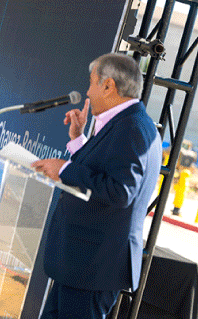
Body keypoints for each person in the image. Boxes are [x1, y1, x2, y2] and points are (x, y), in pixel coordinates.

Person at [31, 53, 162, 319]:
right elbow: (100, 174)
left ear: (108, 86)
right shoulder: (124, 124)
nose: (88, 91)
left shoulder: (132, 128)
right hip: (81, 265)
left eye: (91, 83)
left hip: (93, 267)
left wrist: (64, 169)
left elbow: (119, 191)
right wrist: (78, 140)